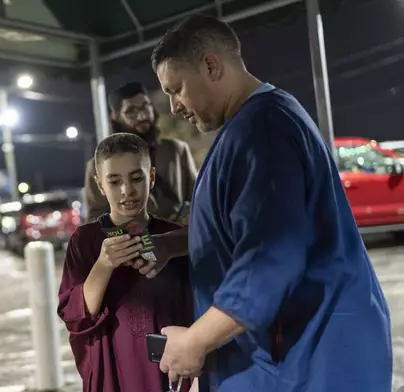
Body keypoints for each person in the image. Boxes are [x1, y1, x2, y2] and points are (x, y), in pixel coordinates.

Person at [143, 14, 392, 392]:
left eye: (176, 89)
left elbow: (270, 260)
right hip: (286, 353)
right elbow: (243, 227)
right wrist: (172, 244)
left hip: (308, 357)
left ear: (210, 65)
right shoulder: (253, 124)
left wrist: (195, 342)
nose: (174, 106)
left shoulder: (263, 133)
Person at [58, 132, 196, 392]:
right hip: (115, 373)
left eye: (136, 178)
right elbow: (75, 316)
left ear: (151, 177)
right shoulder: (85, 240)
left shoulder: (174, 238)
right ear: (100, 185)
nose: (127, 191)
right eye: (114, 181)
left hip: (171, 374)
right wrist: (103, 265)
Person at [83, 82, 197, 224]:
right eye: (131, 111)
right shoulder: (98, 165)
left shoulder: (177, 150)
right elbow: (94, 219)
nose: (142, 116)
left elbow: (197, 198)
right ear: (115, 116)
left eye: (145, 107)